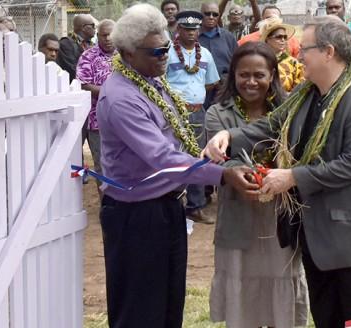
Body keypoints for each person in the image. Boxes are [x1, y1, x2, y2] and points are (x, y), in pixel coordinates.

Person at [204, 15, 351, 328]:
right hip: (318, 240)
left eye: (305, 48)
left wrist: (293, 177)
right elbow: (272, 123)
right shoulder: (307, 93)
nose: (297, 54)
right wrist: (229, 137)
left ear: (328, 52)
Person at [97, 4, 256, 327]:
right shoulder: (121, 98)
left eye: (167, 48)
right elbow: (162, 157)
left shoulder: (150, 81)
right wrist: (221, 175)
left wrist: (206, 154)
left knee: (169, 304)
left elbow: (176, 142)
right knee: (140, 310)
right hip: (136, 217)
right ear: (128, 53)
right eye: (156, 51)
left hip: (166, 207)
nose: (164, 56)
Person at [205, 41, 308, 328]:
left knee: (281, 287)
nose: (251, 82)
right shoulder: (217, 114)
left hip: (281, 217)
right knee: (244, 300)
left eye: (259, 75)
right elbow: (216, 159)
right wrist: (231, 173)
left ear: (272, 75)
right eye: (243, 74)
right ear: (233, 76)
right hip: (239, 215)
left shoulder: (288, 111)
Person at [167, 10, 221, 224]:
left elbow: (211, 82)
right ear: (178, 29)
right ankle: (171, 203)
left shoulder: (205, 54)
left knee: (198, 158)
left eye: (194, 29)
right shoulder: (167, 52)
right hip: (171, 112)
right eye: (186, 29)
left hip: (198, 111)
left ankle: (195, 205)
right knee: (171, 156)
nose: (191, 33)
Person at [76, 19, 117, 187]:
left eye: (111, 34)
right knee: (103, 169)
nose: (107, 38)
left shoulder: (129, 55)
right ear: (97, 36)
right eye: (103, 35)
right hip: (98, 121)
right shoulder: (88, 56)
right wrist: (112, 93)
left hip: (126, 119)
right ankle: (107, 209)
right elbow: (83, 84)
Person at [199, 2, 237, 107]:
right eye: (207, 14)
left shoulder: (228, 37)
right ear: (200, 15)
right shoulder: (192, 38)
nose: (211, 17)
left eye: (215, 14)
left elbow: (237, 64)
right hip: (200, 93)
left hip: (225, 92)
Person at [260, 17, 304, 92]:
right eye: (279, 37)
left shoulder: (293, 63)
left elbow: (300, 89)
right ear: (267, 39)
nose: (283, 40)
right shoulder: (258, 61)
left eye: (285, 37)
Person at [57, 14, 95, 81]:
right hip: (75, 87)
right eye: (92, 26)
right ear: (83, 27)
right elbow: (72, 69)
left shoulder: (92, 45)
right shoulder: (66, 43)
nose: (95, 28)